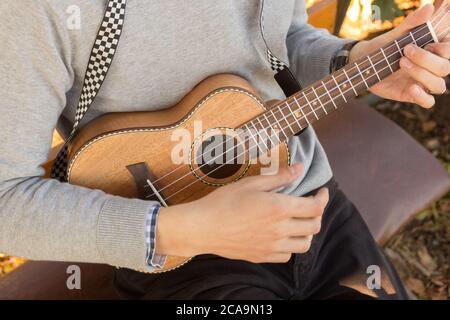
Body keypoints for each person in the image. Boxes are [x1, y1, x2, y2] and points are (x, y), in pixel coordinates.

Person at [0, 1, 448, 300]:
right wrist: (178, 231)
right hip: (175, 250)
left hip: (312, 204)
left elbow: (280, 40)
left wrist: (352, 61)